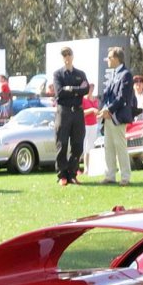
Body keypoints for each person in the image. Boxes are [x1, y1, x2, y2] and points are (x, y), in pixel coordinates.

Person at [51, 46, 89, 186]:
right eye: (64, 55)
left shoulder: (80, 74)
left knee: (78, 144)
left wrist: (71, 89)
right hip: (64, 112)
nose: (67, 58)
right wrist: (76, 91)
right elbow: (59, 92)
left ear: (73, 56)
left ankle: (72, 173)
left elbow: (85, 89)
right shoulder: (58, 75)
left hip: (78, 112)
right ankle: (62, 175)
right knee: (62, 144)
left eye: (69, 55)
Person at [99, 45, 135, 185]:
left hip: (117, 116)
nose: (107, 60)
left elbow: (123, 97)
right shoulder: (113, 74)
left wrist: (110, 110)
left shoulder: (126, 74)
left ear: (117, 59)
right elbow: (106, 94)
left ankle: (125, 176)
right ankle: (110, 175)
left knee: (120, 146)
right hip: (108, 116)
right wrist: (103, 109)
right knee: (108, 146)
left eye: (109, 58)